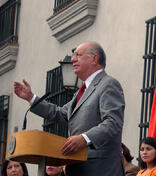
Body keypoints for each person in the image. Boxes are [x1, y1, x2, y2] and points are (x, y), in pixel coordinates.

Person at [13, 42, 125, 176]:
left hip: (100, 168)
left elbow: (113, 122)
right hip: (77, 167)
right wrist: (31, 98)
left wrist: (84, 139)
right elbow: (60, 114)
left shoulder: (108, 84)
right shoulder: (81, 92)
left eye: (78, 55)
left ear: (94, 59)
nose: (72, 59)